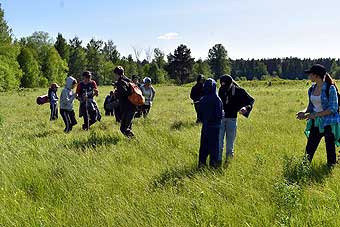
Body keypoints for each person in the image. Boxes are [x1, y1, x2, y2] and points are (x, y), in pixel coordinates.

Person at [297, 64, 340, 167]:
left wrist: (315, 115)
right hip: (315, 122)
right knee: (310, 147)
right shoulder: (311, 89)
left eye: (310, 74)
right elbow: (310, 106)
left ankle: (330, 168)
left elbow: (333, 108)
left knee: (330, 149)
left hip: (329, 123)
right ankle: (304, 167)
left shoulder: (330, 88)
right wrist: (304, 112)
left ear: (316, 75)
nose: (309, 76)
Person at [218, 75, 255, 164]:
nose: (224, 88)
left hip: (232, 120)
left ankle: (228, 162)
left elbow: (250, 101)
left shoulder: (239, 91)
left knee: (230, 145)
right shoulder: (221, 89)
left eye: (226, 86)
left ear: (231, 83)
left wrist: (245, 108)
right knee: (219, 143)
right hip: (220, 120)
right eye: (222, 86)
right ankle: (217, 161)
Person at [198, 78, 223, 168]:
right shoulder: (217, 100)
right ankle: (213, 166)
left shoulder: (202, 100)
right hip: (215, 127)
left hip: (205, 127)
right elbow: (219, 115)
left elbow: (199, 116)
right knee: (214, 148)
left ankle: (202, 165)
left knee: (204, 147)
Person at [114, 66, 136, 137]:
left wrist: (116, 93)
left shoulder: (120, 82)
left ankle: (134, 140)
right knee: (127, 127)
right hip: (132, 106)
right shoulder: (128, 80)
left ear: (116, 74)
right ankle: (130, 141)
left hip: (127, 107)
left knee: (123, 128)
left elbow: (125, 93)